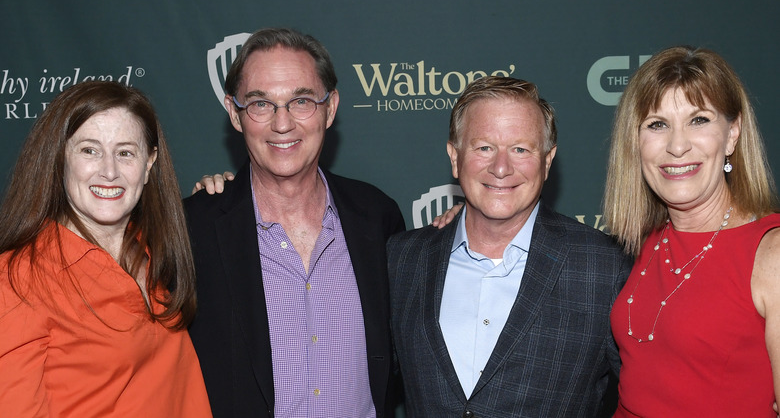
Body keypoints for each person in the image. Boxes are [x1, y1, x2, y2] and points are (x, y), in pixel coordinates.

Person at [185, 28, 405, 418]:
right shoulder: (193, 229)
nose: (282, 124)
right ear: (235, 114)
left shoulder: (378, 217)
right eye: (261, 104)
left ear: (330, 108)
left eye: (301, 101)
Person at [387, 76, 632, 417]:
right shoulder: (402, 260)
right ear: (455, 157)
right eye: (484, 147)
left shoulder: (604, 267)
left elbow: (650, 398)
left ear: (547, 161)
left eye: (520, 149)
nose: (501, 167)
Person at [0, 81, 211, 417]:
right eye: (89, 150)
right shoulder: (18, 278)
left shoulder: (155, 249)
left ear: (148, 164)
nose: (109, 171)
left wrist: (229, 196)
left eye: (125, 152)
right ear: (60, 159)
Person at [604, 46, 780, 416]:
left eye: (698, 120)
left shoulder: (771, 254)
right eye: (657, 124)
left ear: (732, 134)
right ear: (635, 143)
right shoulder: (645, 239)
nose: (678, 145)